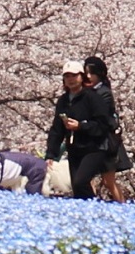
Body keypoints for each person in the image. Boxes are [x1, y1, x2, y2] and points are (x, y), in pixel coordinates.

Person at [45, 59, 113, 199]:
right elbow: (57, 129)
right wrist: (51, 154)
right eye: (67, 76)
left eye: (74, 76)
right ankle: (89, 213)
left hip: (94, 148)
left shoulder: (92, 97)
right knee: (77, 188)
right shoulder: (63, 101)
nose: (70, 80)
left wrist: (80, 126)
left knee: (80, 181)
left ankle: (95, 209)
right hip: (75, 148)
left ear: (82, 77)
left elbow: (103, 124)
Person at [83, 55, 132, 203]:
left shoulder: (104, 92)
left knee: (108, 181)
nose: (88, 77)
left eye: (92, 73)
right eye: (86, 73)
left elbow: (100, 116)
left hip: (106, 142)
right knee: (86, 178)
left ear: (100, 74)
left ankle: (123, 207)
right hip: (91, 141)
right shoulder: (87, 92)